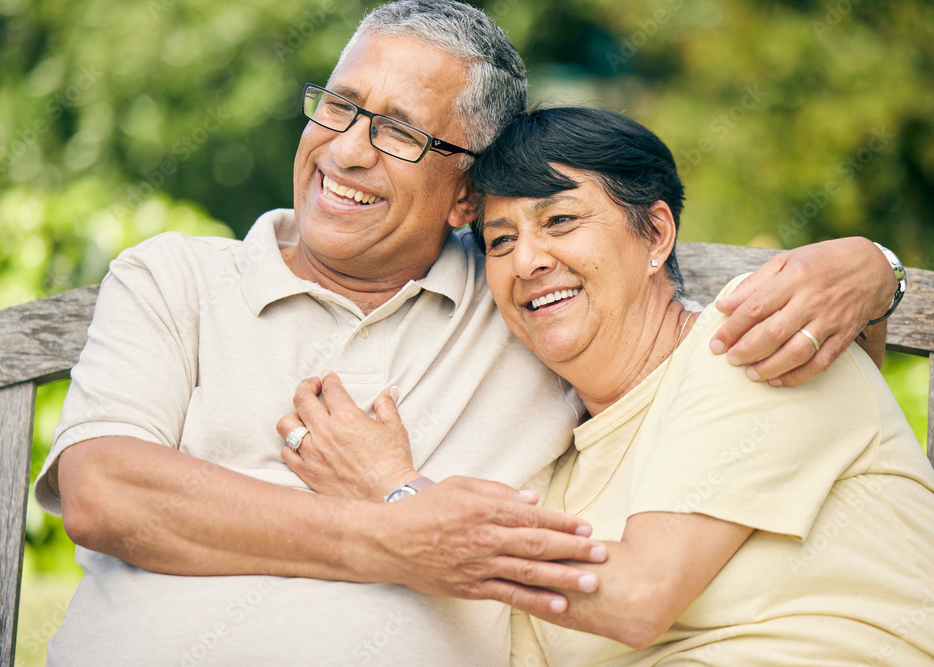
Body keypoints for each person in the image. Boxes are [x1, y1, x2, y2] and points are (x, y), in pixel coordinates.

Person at [33, 0, 902, 663]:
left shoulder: (549, 322)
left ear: (459, 196)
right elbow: (105, 492)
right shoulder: (176, 279)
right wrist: (397, 535)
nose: (345, 150)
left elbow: (641, 577)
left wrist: (873, 269)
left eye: (400, 132)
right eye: (337, 107)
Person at [284, 106, 934, 665]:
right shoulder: (559, 472)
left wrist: (396, 493)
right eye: (501, 239)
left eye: (561, 220)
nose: (529, 260)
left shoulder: (746, 336)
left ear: (655, 233)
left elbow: (638, 596)